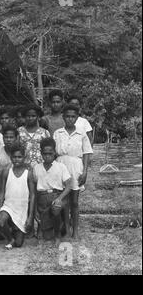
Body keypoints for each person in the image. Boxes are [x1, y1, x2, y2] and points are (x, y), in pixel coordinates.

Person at [54, 104, 93, 240]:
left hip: (76, 166)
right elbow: (53, 153)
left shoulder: (81, 133)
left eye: (73, 117)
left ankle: (76, 230)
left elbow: (87, 152)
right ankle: (66, 229)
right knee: (64, 200)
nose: (70, 119)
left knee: (74, 201)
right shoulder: (58, 133)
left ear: (77, 118)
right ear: (63, 117)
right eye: (67, 116)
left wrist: (85, 172)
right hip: (61, 165)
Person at [0, 144, 36, 250]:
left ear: (24, 158)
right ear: (11, 158)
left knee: (19, 244)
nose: (17, 159)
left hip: (21, 210)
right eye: (14, 157)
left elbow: (32, 195)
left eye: (19, 157)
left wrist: (30, 216)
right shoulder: (6, 172)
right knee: (1, 220)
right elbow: (1, 192)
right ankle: (10, 239)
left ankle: (15, 231)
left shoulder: (28, 174)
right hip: (8, 206)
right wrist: (0, 209)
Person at [33, 138, 72, 245]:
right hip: (42, 197)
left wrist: (59, 198)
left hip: (56, 195)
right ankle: (43, 229)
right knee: (44, 237)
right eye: (45, 154)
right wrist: (36, 205)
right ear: (41, 153)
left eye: (50, 153)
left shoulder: (60, 167)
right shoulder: (37, 168)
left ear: (54, 153)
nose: (47, 156)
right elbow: (35, 189)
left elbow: (69, 185)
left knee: (56, 208)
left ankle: (58, 234)